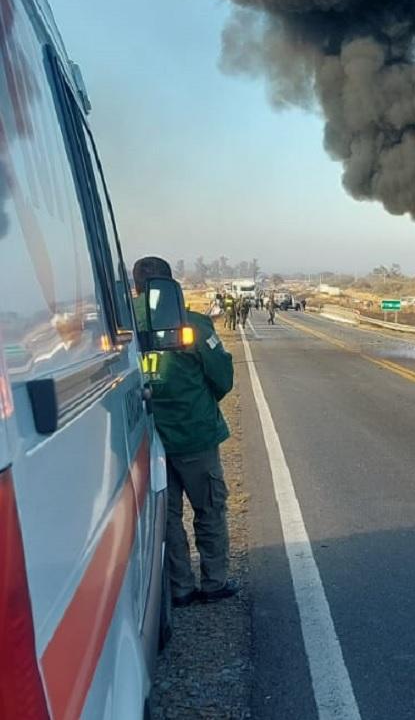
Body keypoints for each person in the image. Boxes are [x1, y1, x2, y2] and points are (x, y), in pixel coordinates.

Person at [133, 257, 238, 607]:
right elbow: (222, 378)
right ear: (171, 285)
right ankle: (214, 582)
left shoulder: (122, 328)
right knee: (209, 509)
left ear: (135, 287)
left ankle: (179, 586)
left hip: (147, 441)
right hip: (194, 436)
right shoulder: (192, 325)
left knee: (168, 517)